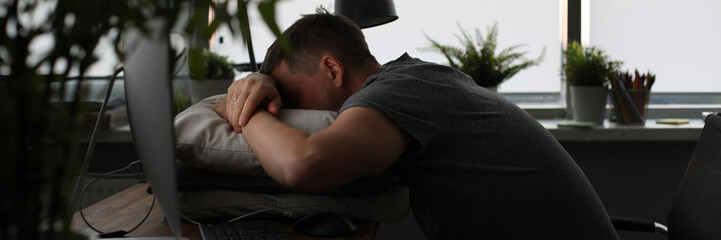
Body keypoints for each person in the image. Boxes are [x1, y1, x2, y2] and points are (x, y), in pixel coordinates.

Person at [213, 8, 619, 239]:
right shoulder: (417, 78)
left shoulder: (393, 94)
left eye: (293, 100)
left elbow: (302, 165)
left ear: (332, 69)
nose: (289, 113)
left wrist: (245, 109)